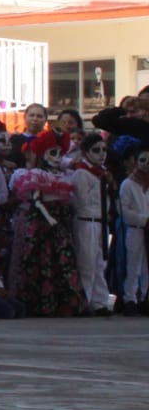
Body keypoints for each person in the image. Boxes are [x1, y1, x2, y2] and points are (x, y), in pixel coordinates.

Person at [8, 131, 82, 318]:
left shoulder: (64, 176)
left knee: (63, 259)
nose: (57, 158)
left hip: (60, 220)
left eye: (59, 152)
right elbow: (36, 200)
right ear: (43, 155)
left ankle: (63, 302)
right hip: (43, 220)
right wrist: (49, 218)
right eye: (53, 153)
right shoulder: (37, 175)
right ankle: (39, 303)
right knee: (41, 258)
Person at [71, 132, 116, 315]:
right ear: (86, 152)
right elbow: (80, 201)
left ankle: (99, 301)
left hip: (100, 222)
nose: (101, 154)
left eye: (104, 150)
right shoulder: (82, 173)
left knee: (99, 263)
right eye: (96, 150)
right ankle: (85, 300)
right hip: (86, 221)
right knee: (87, 263)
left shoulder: (101, 173)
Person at [117, 146, 149, 314]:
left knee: (146, 266)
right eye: (142, 160)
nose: (146, 164)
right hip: (135, 228)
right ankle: (130, 298)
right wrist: (143, 219)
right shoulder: (128, 183)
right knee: (133, 263)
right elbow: (125, 209)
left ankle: (145, 297)